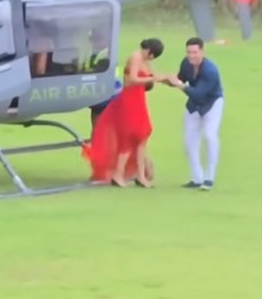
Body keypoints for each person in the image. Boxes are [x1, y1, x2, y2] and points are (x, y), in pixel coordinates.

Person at [83, 39, 165, 187]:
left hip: (139, 98)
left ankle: (140, 175)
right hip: (130, 99)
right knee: (131, 135)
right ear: (149, 52)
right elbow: (132, 79)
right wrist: (153, 78)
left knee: (143, 133)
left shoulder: (145, 60)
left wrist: (167, 79)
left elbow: (152, 76)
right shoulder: (136, 56)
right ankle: (118, 174)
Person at [168, 37, 224, 189]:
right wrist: (166, 79)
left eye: (195, 52)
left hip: (211, 103)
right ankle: (196, 178)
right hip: (194, 105)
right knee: (189, 140)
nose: (192, 56)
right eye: (189, 52)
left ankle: (209, 178)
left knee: (209, 135)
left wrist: (180, 86)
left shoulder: (210, 70)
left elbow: (199, 94)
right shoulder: (186, 64)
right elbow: (180, 78)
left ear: (202, 52)